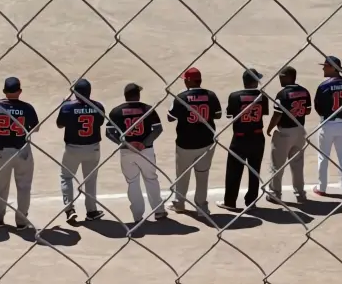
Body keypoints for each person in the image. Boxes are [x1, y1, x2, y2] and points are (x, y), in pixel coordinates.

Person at [106, 83, 167, 222]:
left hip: (126, 151)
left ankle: (138, 216)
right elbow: (158, 129)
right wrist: (143, 143)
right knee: (151, 179)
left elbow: (109, 133)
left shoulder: (116, 111)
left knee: (133, 182)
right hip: (146, 150)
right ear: (138, 95)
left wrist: (126, 144)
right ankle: (158, 211)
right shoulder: (147, 109)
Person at [167, 67, 222, 216]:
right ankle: (202, 207)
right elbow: (217, 115)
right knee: (203, 175)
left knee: (182, 175)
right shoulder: (211, 95)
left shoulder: (181, 97)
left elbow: (170, 117)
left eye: (185, 79)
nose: (184, 82)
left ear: (189, 81)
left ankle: (179, 203)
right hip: (207, 142)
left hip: (186, 143)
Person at [0, 77, 39, 229]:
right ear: (20, 91)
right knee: (24, 186)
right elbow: (35, 128)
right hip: (22, 150)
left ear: (4, 91)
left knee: (0, 186)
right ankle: (21, 221)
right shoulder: (27, 108)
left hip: (1, 151)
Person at [56, 79, 105, 222]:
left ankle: (69, 209)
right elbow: (100, 123)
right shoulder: (98, 106)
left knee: (66, 177)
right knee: (90, 180)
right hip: (93, 148)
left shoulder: (68, 107)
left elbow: (60, 125)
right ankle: (91, 211)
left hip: (73, 148)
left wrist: (64, 104)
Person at [219, 69, 268, 211]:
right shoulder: (262, 96)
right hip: (257, 137)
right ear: (254, 81)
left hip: (240, 138)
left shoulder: (235, 96)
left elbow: (229, 115)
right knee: (254, 171)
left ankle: (230, 201)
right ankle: (251, 202)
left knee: (234, 171)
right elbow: (263, 113)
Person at [265, 66, 311, 203]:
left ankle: (275, 193)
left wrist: (269, 128)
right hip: (299, 130)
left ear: (289, 77)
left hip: (284, 132)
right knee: (297, 164)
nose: (280, 79)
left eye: (282, 76)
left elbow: (277, 115)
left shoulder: (282, 94)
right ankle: (300, 194)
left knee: (277, 165)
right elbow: (307, 111)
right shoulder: (304, 91)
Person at [313, 56, 342, 196]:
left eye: (325, 66)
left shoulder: (324, 86)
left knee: (323, 156)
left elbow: (317, 106)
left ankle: (322, 187)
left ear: (332, 68)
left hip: (328, 123)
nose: (323, 68)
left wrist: (326, 115)